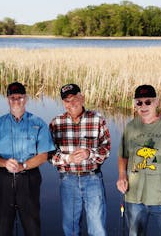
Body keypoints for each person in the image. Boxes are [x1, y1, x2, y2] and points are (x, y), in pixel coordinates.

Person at [0, 82, 55, 236]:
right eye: (12, 98)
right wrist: (4, 163)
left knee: (31, 224)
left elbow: (43, 155)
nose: (16, 101)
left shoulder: (38, 123)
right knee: (5, 224)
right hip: (3, 178)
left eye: (19, 98)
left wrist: (24, 165)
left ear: (26, 99)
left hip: (29, 177)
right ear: (8, 99)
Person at [116, 84, 161, 236]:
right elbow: (123, 155)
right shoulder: (130, 126)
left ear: (156, 102)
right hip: (134, 197)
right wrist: (122, 176)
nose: (143, 106)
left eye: (148, 101)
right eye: (139, 102)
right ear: (135, 104)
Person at [49, 83, 111, 236]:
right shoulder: (56, 123)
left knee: (97, 228)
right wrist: (67, 158)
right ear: (63, 103)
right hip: (67, 180)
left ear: (82, 98)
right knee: (70, 228)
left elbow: (107, 149)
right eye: (67, 101)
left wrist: (89, 153)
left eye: (75, 98)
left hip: (93, 179)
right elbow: (49, 155)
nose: (71, 104)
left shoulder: (97, 119)